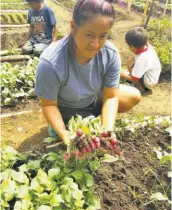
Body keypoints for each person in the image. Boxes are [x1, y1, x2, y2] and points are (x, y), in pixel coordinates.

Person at [35, 0, 141, 145]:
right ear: (73, 27)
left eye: (103, 36)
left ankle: (94, 117)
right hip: (67, 107)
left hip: (93, 99)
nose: (96, 44)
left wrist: (107, 131)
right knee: (80, 138)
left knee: (133, 95)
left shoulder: (110, 54)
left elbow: (110, 96)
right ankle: (61, 125)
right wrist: (64, 132)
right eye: (89, 35)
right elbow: (49, 105)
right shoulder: (51, 63)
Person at [120, 27, 161, 95]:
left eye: (128, 45)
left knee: (129, 66)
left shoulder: (141, 59)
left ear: (132, 47)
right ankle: (135, 77)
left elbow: (134, 79)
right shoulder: (148, 46)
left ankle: (140, 87)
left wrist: (124, 75)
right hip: (153, 75)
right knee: (131, 64)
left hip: (149, 82)